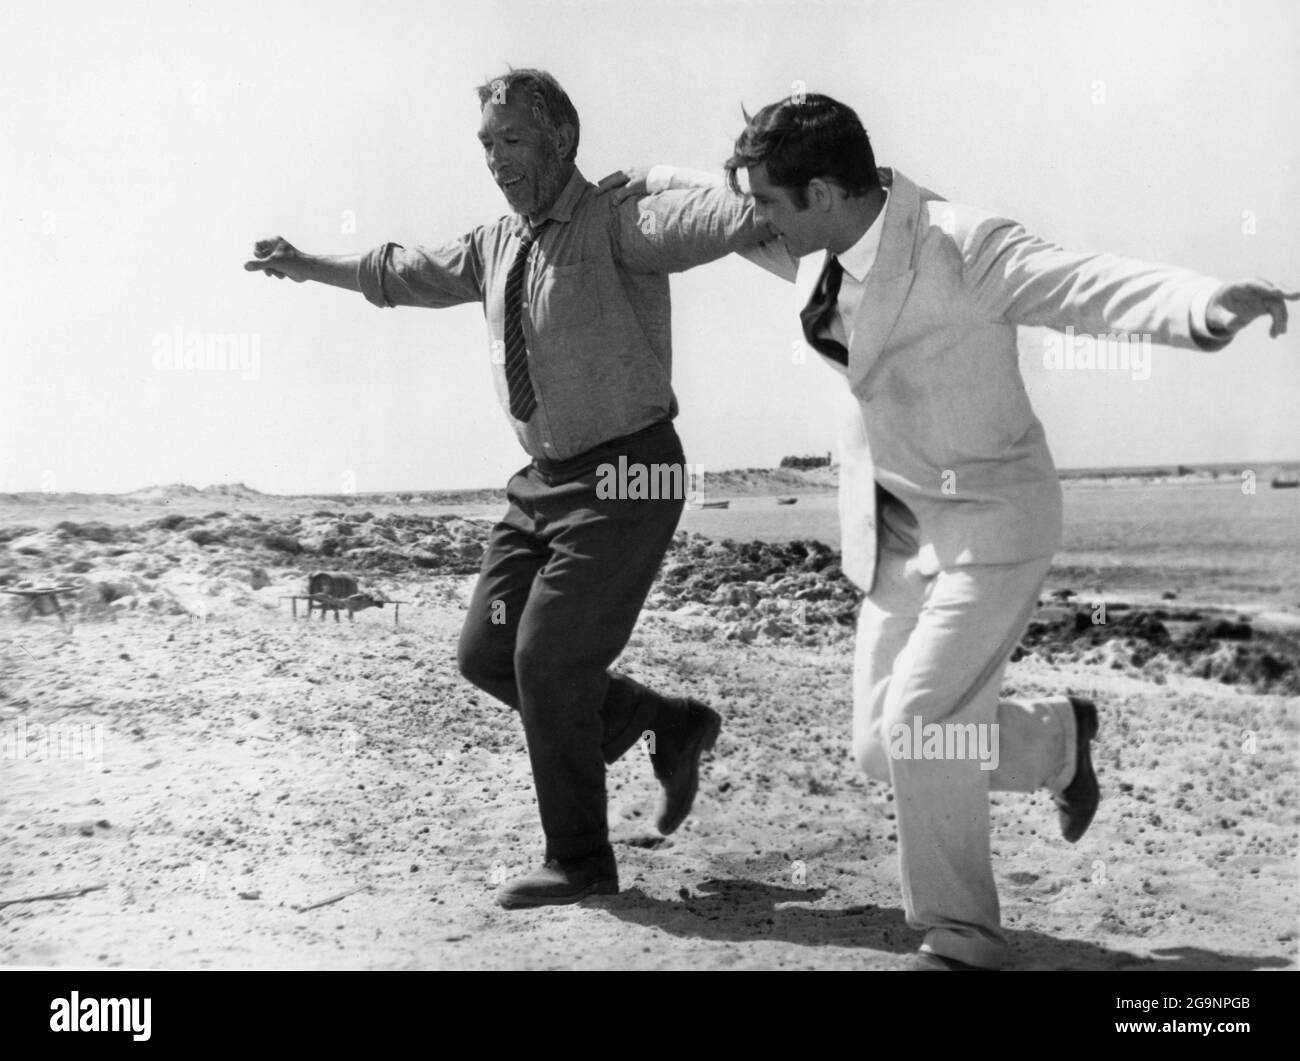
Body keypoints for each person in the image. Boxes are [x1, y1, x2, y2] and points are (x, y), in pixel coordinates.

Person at [609, 92, 1296, 969]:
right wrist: (647, 178)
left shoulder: (963, 245)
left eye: (770, 202)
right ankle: (1056, 740)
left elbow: (1085, 283)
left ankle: (962, 933)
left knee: (922, 722)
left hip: (992, 521)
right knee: (879, 746)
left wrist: (1203, 303)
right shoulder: (812, 242)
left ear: (821, 192)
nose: (754, 222)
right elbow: (719, 193)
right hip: (896, 534)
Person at [244, 69, 777, 908]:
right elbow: (404, 270)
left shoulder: (616, 220)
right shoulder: (496, 243)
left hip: (627, 473)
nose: (496, 160)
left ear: (559, 139)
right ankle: (661, 721)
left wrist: (775, 196)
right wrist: (308, 263)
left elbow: (707, 224)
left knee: (548, 656)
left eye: (512, 141)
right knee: (489, 653)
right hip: (541, 483)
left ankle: (580, 860)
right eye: (487, 145)